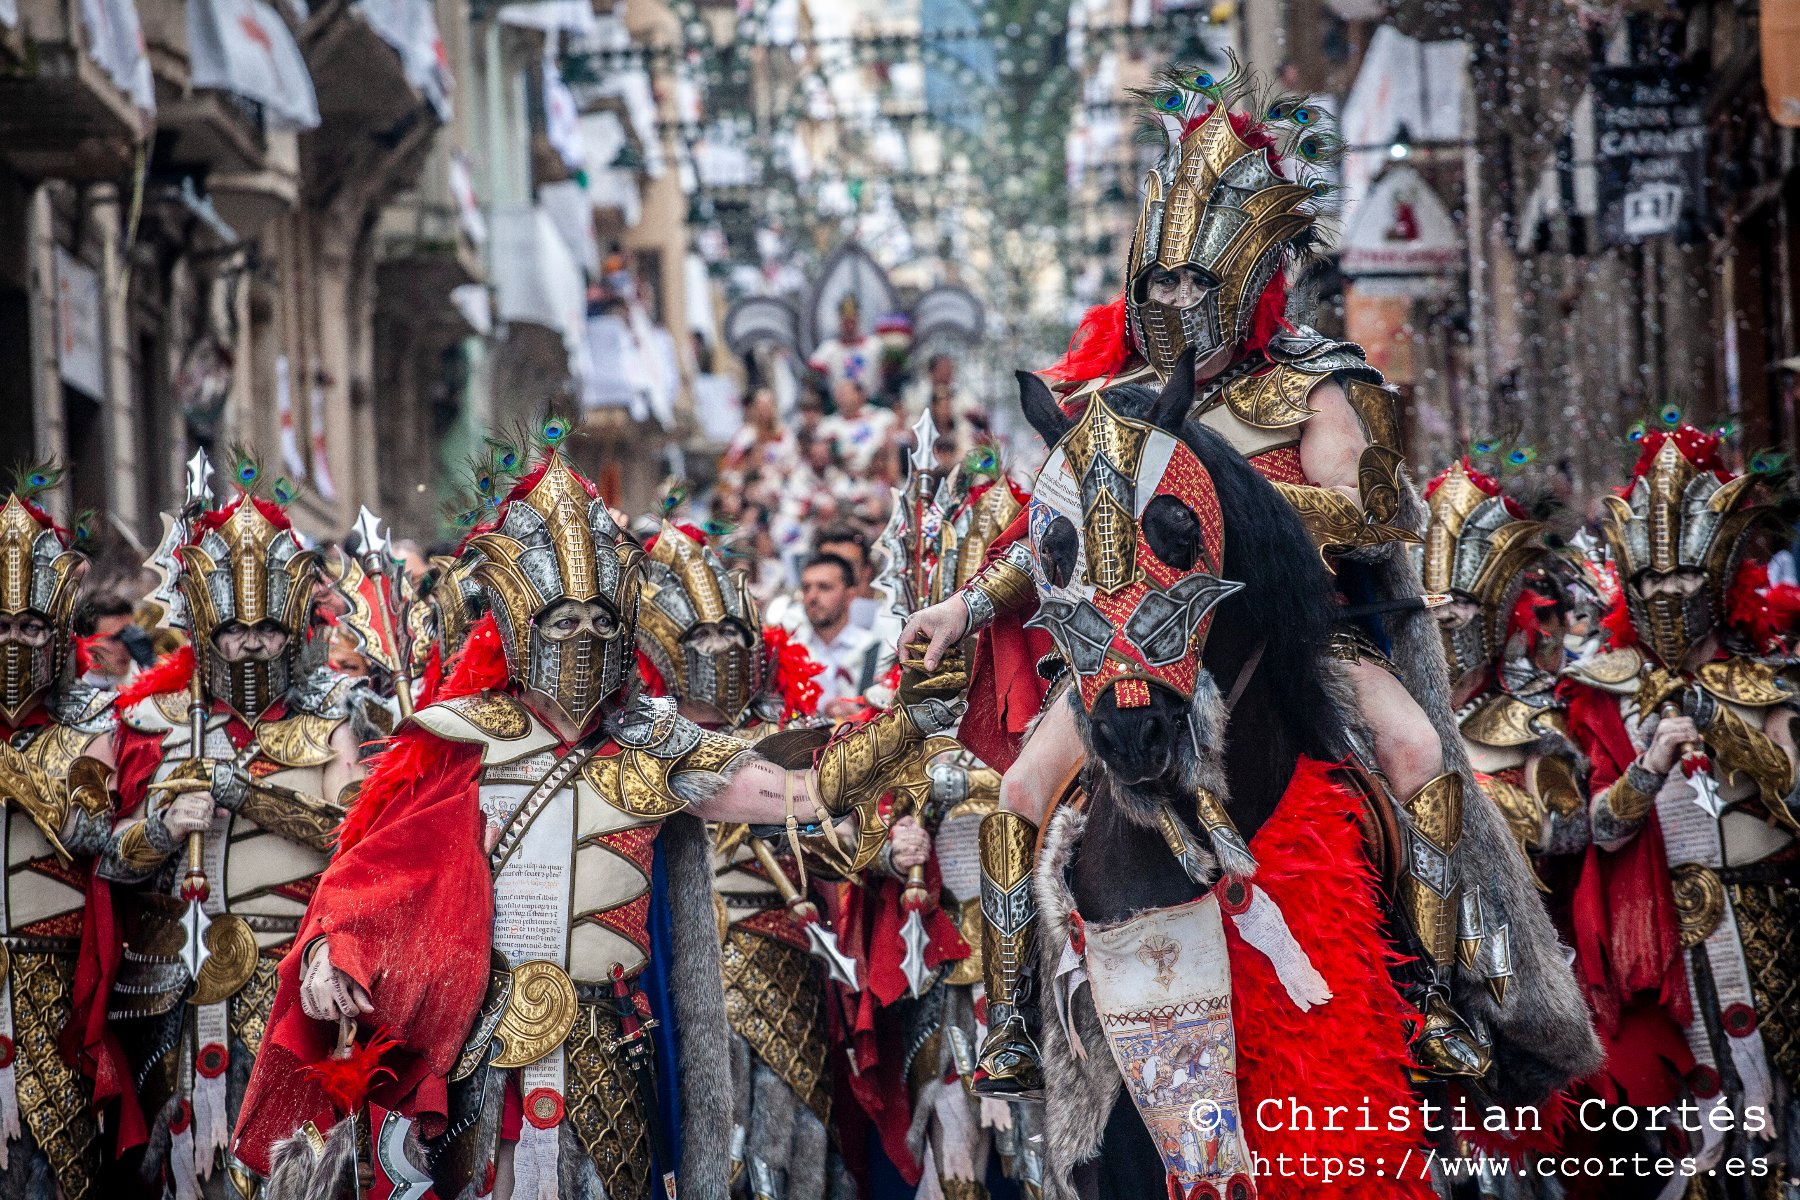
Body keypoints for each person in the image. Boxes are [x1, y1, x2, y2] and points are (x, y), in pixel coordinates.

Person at [900, 63, 1594, 1101]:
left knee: (1411, 751)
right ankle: (1014, 1020)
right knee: (1021, 791)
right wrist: (964, 604)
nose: (1177, 303)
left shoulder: (1322, 384)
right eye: (1161, 284)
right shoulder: (1112, 402)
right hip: (1132, 641)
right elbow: (1056, 536)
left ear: (1248, 279)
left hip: (1306, 637)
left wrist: (1230, 511)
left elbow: (1373, 511)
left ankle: (1447, 993)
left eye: (1195, 283)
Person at [228, 448, 967, 1200]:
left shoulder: (657, 747)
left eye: (597, 620)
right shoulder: (461, 738)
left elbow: (805, 794)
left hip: (614, 1043)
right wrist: (329, 952)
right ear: (521, 624)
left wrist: (908, 721)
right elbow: (373, 872)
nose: (582, 638)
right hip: (485, 1044)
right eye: (562, 619)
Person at [91, 474, 385, 1198]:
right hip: (176, 986)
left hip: (294, 979)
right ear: (208, 631)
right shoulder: (157, 721)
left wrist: (243, 793)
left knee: (294, 1170)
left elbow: (356, 834)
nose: (250, 648)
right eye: (234, 631)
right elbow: (108, 856)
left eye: (267, 631)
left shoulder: (334, 715)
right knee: (186, 1174)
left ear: (293, 630)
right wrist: (161, 827)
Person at [1562, 424, 1800, 1188]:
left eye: (1684, 583)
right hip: (1657, 935)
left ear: (1718, 577)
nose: (1667, 600)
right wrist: (1648, 766)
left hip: (1766, 921)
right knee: (1691, 1118)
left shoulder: (1766, 686)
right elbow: (1590, 827)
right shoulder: (1602, 692)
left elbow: (1792, 794)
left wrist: (1716, 719)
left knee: (1771, 1102)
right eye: (1651, 585)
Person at [0, 479, 122, 1199]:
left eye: (30, 628)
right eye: (1, 627)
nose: (16, 642)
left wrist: (15, 772)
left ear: (56, 636)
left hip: (55, 988)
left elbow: (93, 832)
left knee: (58, 1173)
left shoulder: (91, 722)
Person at [795, 553, 881, 715]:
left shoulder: (874, 649)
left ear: (850, 596)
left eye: (824, 587)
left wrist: (859, 714)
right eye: (806, 588)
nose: (812, 596)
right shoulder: (790, 649)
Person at [820, 376, 897, 475]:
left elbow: (894, 438)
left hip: (876, 472)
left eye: (845, 393)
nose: (840, 397)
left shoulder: (882, 416)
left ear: (860, 395)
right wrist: (836, 456)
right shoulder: (828, 424)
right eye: (838, 393)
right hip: (842, 475)